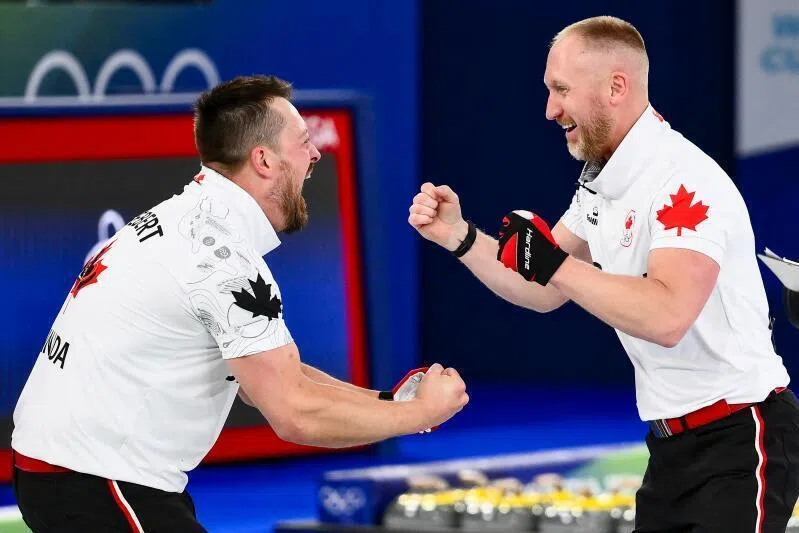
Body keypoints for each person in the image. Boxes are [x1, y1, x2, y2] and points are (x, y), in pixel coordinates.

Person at [12, 75, 468, 533]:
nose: (315, 155)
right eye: (304, 142)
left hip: (70, 470)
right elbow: (293, 413)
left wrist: (388, 401)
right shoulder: (222, 259)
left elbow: (265, 380)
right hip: (96, 481)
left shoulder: (191, 217)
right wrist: (418, 415)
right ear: (264, 159)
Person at [409, 16, 799, 533]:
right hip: (670, 447)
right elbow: (541, 288)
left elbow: (667, 315)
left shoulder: (685, 182)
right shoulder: (604, 180)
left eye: (561, 90)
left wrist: (553, 263)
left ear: (616, 87)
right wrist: (459, 237)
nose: (550, 110)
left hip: (740, 438)